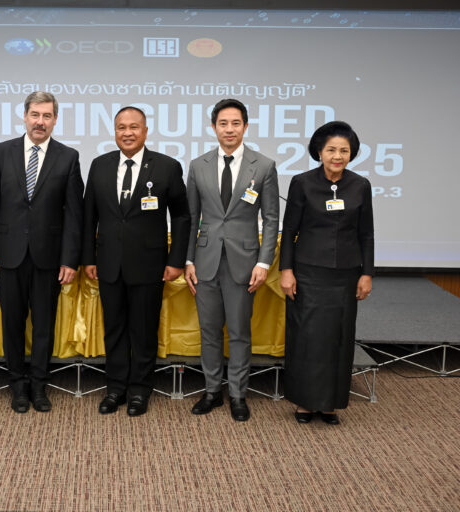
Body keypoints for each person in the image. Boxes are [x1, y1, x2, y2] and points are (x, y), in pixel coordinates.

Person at [82, 106, 191, 417]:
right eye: (121, 127)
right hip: (108, 263)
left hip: (149, 264)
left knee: (143, 330)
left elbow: (181, 216)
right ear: (115, 131)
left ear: (145, 131)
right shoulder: (100, 165)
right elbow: (89, 215)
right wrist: (88, 257)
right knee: (114, 329)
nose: (127, 133)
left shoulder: (167, 167)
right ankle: (115, 388)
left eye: (133, 127)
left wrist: (176, 259)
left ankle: (140, 390)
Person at [0, 91, 84, 413]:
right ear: (25, 116)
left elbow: (74, 214)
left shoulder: (68, 157)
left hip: (48, 258)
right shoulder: (1, 152)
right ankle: (17, 385)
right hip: (8, 256)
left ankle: (39, 385)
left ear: (55, 120)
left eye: (47, 116)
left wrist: (70, 259)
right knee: (12, 324)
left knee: (43, 325)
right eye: (35, 115)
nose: (40, 122)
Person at [184, 98, 279, 422]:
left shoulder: (263, 166)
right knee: (209, 331)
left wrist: (264, 263)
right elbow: (191, 217)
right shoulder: (198, 165)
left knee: (239, 331)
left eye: (235, 123)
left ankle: (238, 394)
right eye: (223, 123)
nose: (229, 129)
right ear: (214, 127)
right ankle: (212, 391)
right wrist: (188, 260)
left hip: (245, 262)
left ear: (245, 127)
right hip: (205, 260)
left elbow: (271, 218)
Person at [279, 120, 374, 425]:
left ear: (352, 154)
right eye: (331, 149)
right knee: (307, 337)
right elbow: (289, 230)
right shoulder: (303, 182)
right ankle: (305, 403)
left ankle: (330, 404)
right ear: (319, 152)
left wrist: (367, 273)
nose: (337, 156)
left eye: (344, 150)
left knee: (338, 338)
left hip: (346, 275)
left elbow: (366, 234)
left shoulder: (360, 185)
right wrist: (286, 270)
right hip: (308, 273)